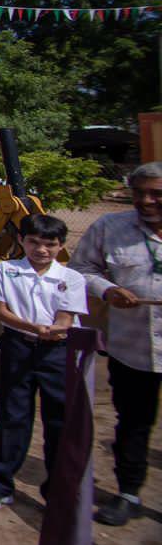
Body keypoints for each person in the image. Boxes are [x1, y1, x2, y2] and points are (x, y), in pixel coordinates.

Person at [0, 214, 87, 510]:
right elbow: (1, 312)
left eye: (50, 244)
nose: (41, 250)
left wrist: (54, 330)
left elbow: (66, 317)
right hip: (18, 347)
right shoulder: (7, 270)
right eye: (34, 242)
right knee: (13, 415)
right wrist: (35, 328)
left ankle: (58, 489)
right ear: (22, 240)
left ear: (60, 246)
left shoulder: (70, 278)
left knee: (58, 419)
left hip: (57, 352)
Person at [73, 161, 162, 526]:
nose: (146, 200)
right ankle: (128, 492)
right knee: (133, 423)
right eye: (139, 192)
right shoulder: (110, 227)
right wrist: (108, 290)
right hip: (132, 347)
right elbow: (82, 269)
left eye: (156, 194)